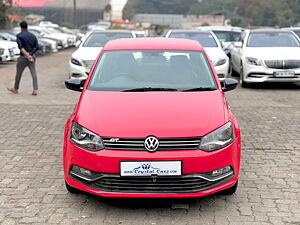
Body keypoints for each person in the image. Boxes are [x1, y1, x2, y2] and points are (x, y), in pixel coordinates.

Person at [7, 21, 39, 96]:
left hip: (23, 58)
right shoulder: (33, 35)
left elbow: (21, 47)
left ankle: (15, 89)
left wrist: (27, 55)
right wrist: (30, 54)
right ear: (27, 26)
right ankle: (35, 89)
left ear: (20, 27)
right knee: (33, 73)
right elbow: (37, 47)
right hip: (32, 57)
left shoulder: (19, 35)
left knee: (19, 73)